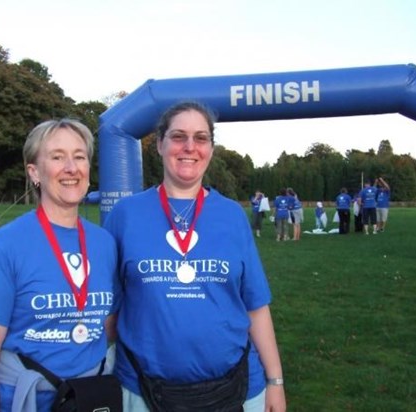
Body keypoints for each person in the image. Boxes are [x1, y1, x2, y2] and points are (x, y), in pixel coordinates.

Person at [103, 101, 286, 412]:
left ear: (211, 149)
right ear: (159, 144)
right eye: (178, 136)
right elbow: (108, 307)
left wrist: (276, 382)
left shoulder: (231, 215)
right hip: (142, 391)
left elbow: (255, 305)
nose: (190, 147)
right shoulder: (125, 215)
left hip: (237, 388)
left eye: (201, 138)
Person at [0, 119, 119, 411]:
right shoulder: (6, 246)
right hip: (27, 399)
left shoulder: (104, 243)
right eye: (57, 157)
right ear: (34, 172)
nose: (71, 167)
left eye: (79, 156)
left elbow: (107, 326)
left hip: (91, 397)